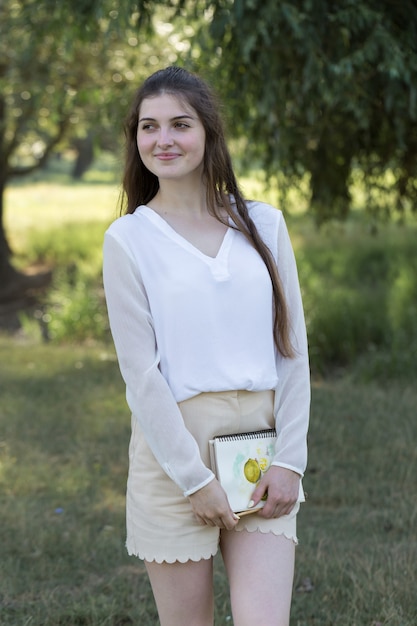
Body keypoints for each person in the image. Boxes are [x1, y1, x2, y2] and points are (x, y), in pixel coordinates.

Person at [102, 66, 310, 626]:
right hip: (173, 455)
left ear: (209, 132)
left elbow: (292, 352)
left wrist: (291, 460)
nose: (162, 139)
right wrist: (193, 479)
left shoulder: (262, 225)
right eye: (149, 126)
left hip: (260, 453)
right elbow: (141, 376)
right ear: (136, 138)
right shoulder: (129, 239)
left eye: (179, 124)